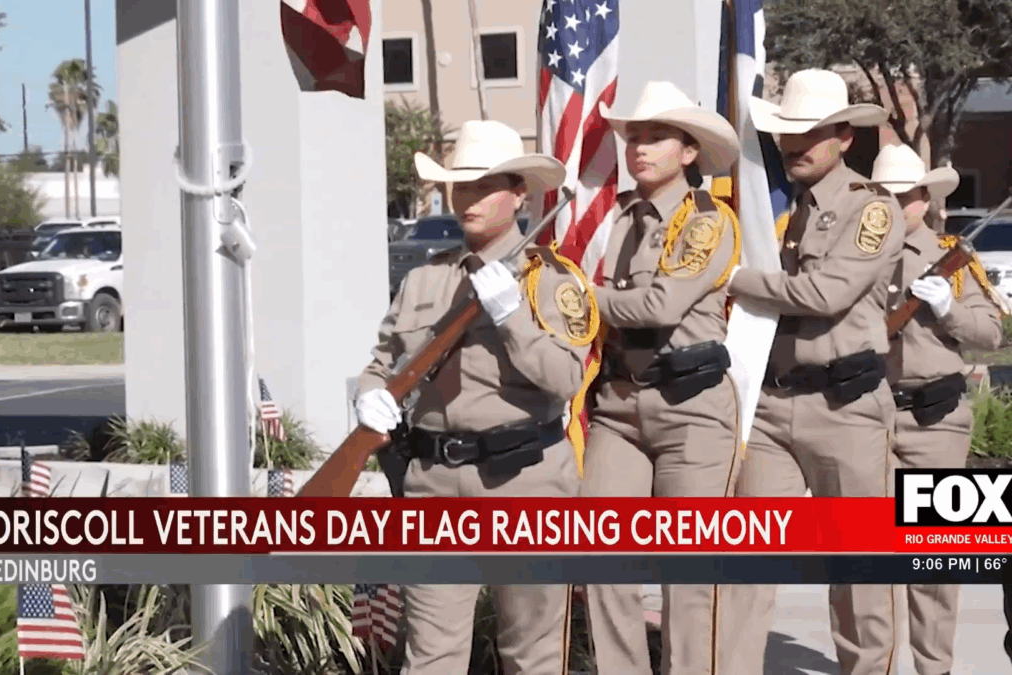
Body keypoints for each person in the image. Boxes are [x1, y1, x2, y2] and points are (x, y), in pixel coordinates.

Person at [353, 119, 597, 675]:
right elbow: (382, 364)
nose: (468, 199)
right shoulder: (425, 281)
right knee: (431, 655)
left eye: (484, 186)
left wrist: (513, 317)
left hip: (525, 481)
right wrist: (370, 398)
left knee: (531, 653)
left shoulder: (551, 280)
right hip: (435, 482)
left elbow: (565, 378)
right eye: (460, 186)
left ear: (518, 195)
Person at [717, 68, 906, 675]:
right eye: (787, 133)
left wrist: (736, 279)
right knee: (745, 564)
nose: (796, 144)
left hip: (845, 409)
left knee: (857, 571)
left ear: (845, 136)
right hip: (770, 408)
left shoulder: (870, 208)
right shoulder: (768, 204)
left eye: (813, 133)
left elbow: (826, 293)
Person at [580, 81, 743, 675]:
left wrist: (577, 296)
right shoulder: (615, 217)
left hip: (691, 407)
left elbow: (657, 307)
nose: (640, 147)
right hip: (620, 405)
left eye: (656, 136)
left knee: (689, 574)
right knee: (600, 559)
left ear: (690, 151)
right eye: (634, 137)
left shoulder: (707, 220)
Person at [873, 143, 1005, 675]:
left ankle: (935, 669)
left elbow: (992, 332)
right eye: (886, 196)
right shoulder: (858, 253)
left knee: (932, 564)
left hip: (936, 422)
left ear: (924, 198)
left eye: (905, 196)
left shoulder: (954, 258)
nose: (897, 205)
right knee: (869, 563)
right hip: (870, 419)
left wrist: (949, 309)